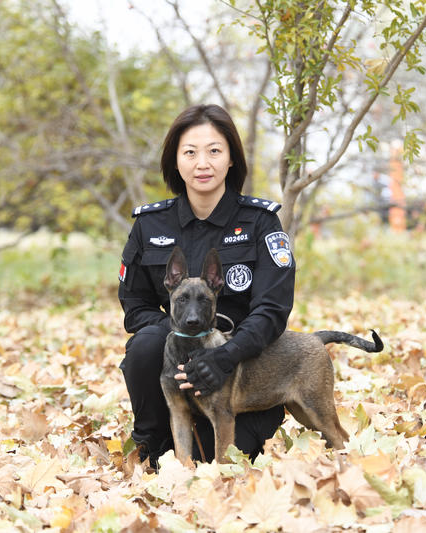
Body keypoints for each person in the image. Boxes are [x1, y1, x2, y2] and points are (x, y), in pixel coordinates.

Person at [118, 104, 296, 466]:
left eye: (215, 151)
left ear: (232, 159)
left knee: (230, 459)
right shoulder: (150, 226)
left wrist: (224, 355)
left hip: (246, 369)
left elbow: (272, 310)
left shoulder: (260, 222)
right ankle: (151, 442)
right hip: (177, 368)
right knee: (146, 344)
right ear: (176, 161)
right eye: (191, 152)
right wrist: (184, 336)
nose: (203, 163)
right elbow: (134, 306)